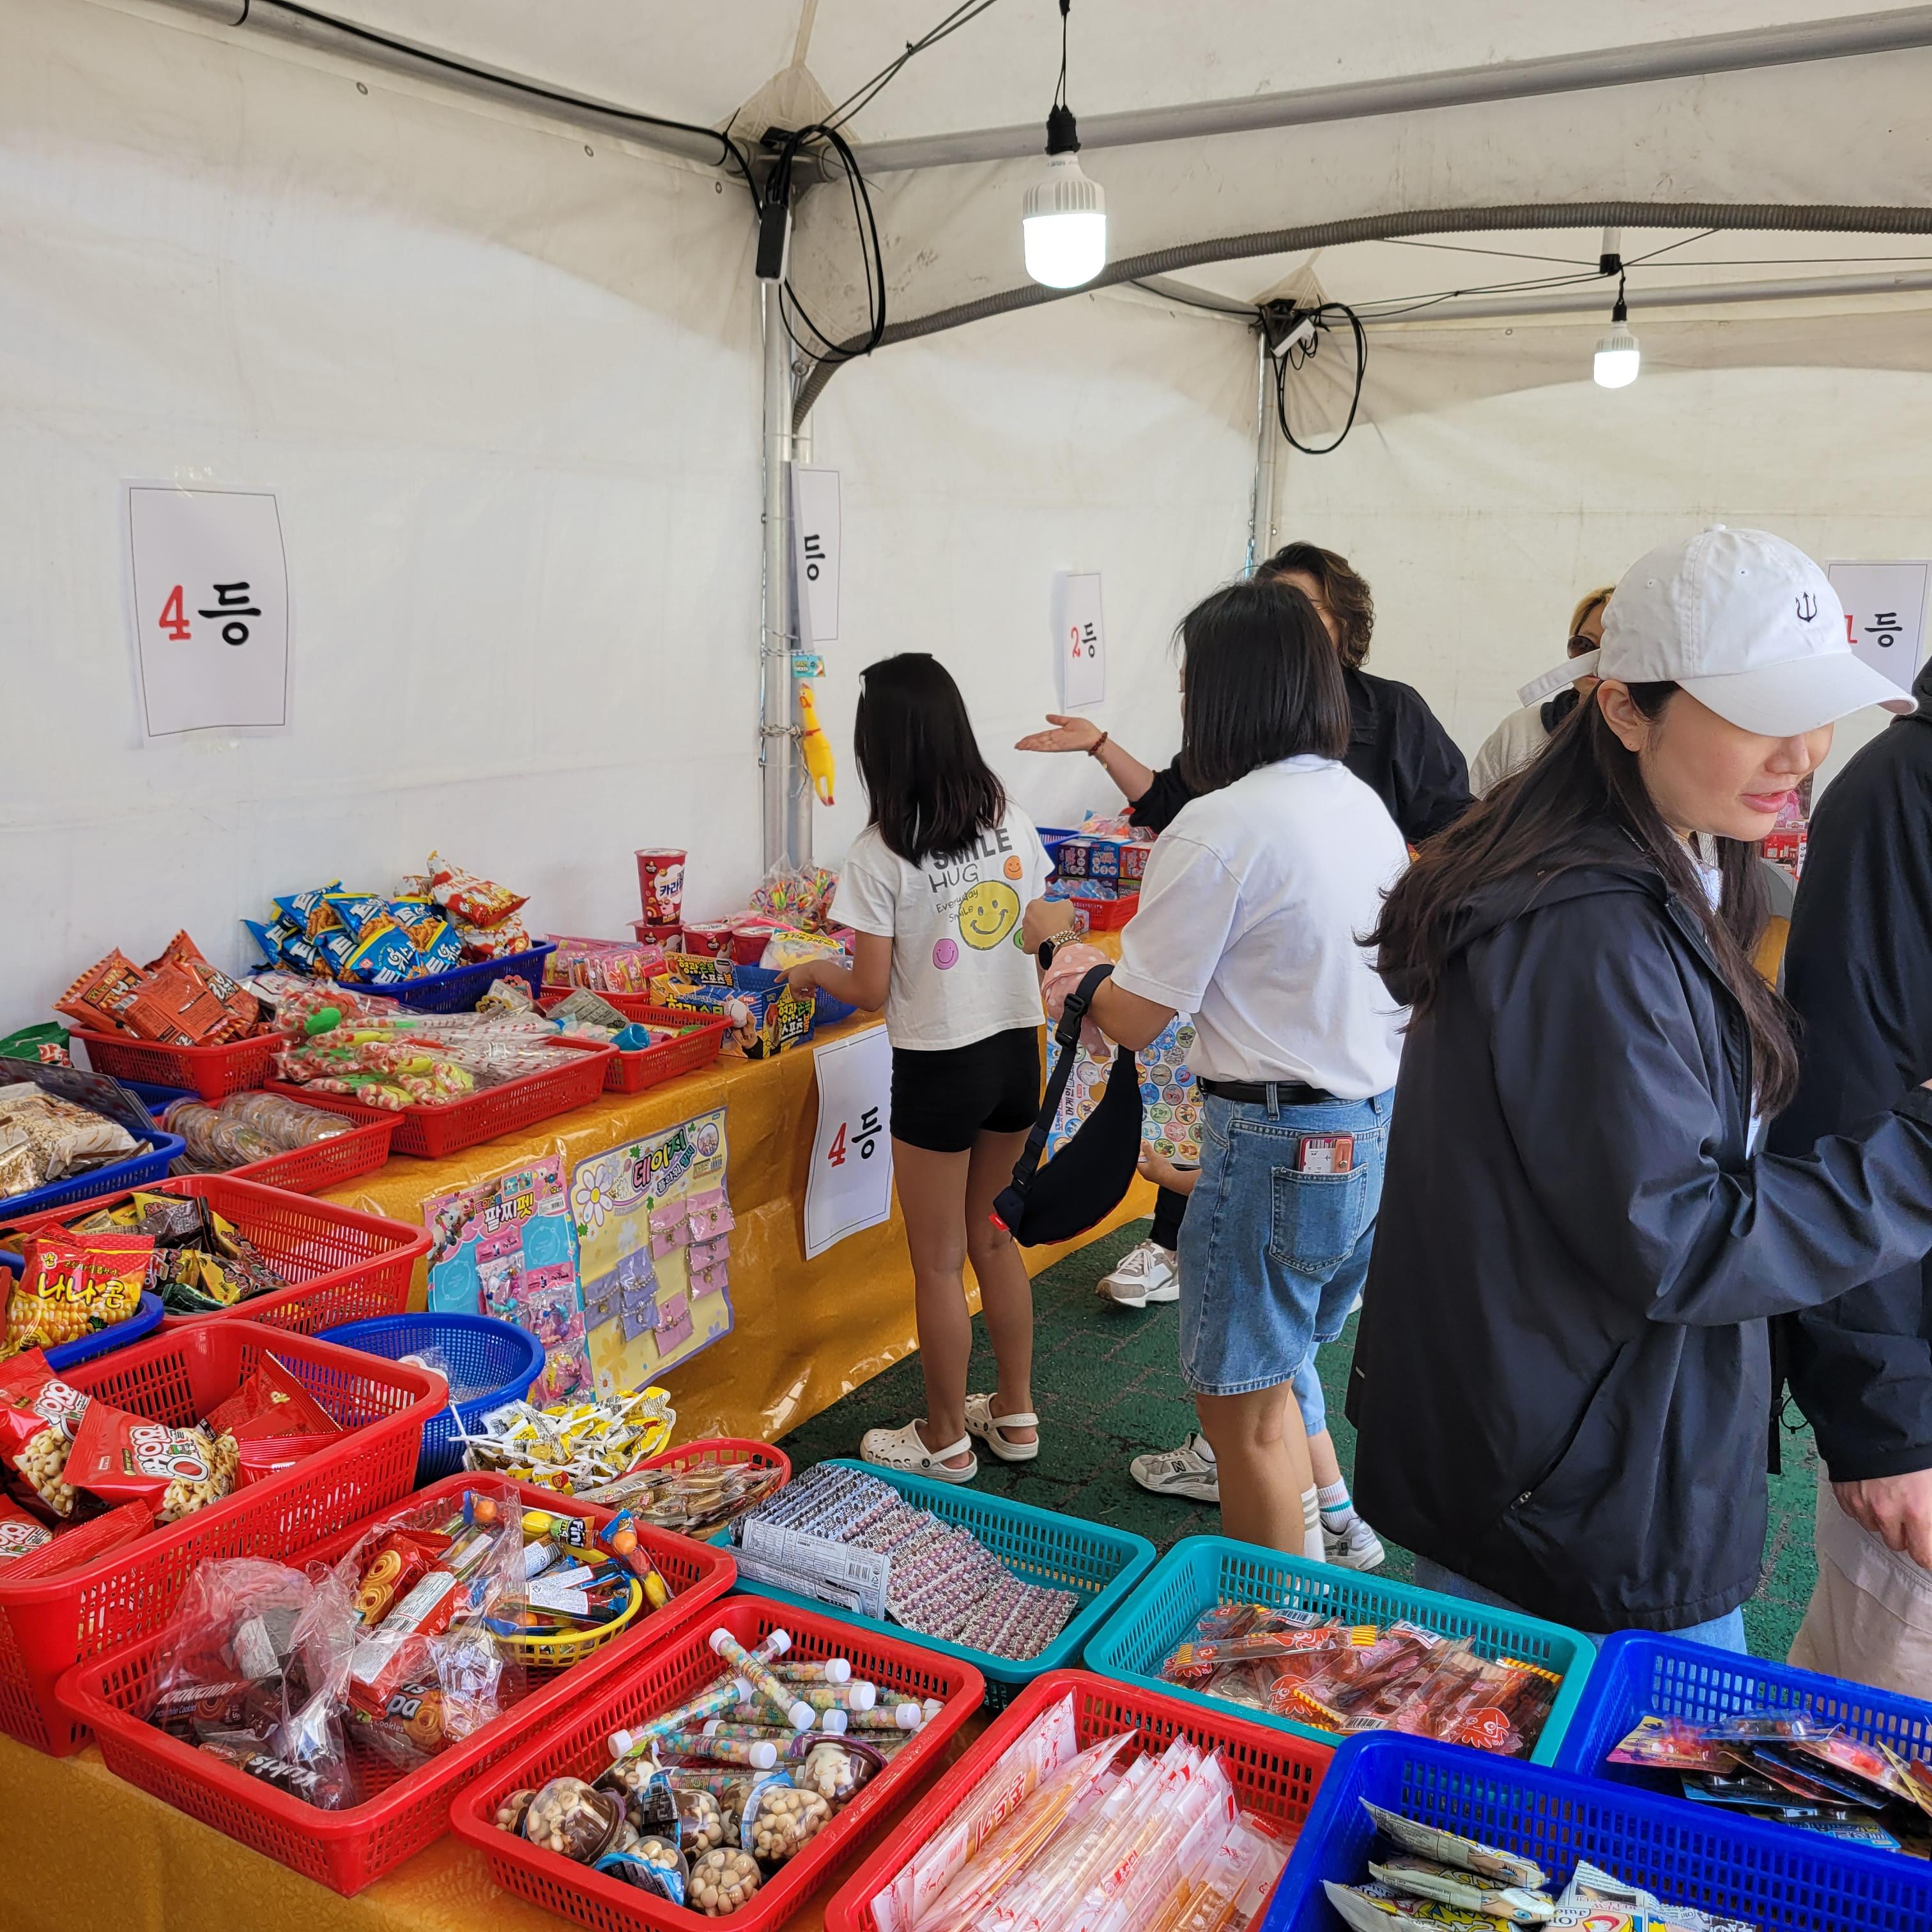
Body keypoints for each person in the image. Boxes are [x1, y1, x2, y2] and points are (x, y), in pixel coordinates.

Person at [1351, 526, 1932, 1648]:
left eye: (1818, 710)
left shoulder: (1668, 859)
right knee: (1619, 1755)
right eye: (1759, 716)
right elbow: (1681, 1238)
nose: (1802, 752)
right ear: (1622, 710)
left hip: (1560, 1437)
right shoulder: (1586, 925)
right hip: (1567, 1484)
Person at [1016, 544, 1466, 1545]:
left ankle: (1279, 1622)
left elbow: (1135, 1018)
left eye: (1190, 687)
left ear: (1227, 696)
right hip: (1369, 1131)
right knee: (1283, 1375)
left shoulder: (1220, 825)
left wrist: (1061, 948)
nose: (1185, 705)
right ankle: (1316, 1562)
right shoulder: (1353, 801)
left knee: (1242, 1419)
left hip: (1278, 1144)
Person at [784, 654, 1053, 1483]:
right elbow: (1039, 922)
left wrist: (811, 970)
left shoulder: (880, 850)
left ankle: (944, 1437)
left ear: (882, 746)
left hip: (940, 1065)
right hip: (1017, 1051)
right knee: (995, 1242)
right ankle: (1015, 1413)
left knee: (938, 1261)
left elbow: (868, 989)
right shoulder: (1007, 817)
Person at [1774, 648, 1932, 1693]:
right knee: (1871, 1748)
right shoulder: (1900, 793)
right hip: (1920, 1415)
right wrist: (1886, 1424)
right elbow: (1837, 1117)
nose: (1791, 756)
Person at [1468, 586, 1613, 795]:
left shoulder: (1648, 747)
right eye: (1583, 645)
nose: (1594, 661)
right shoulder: (1519, 730)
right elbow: (1474, 806)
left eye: (1612, 650)